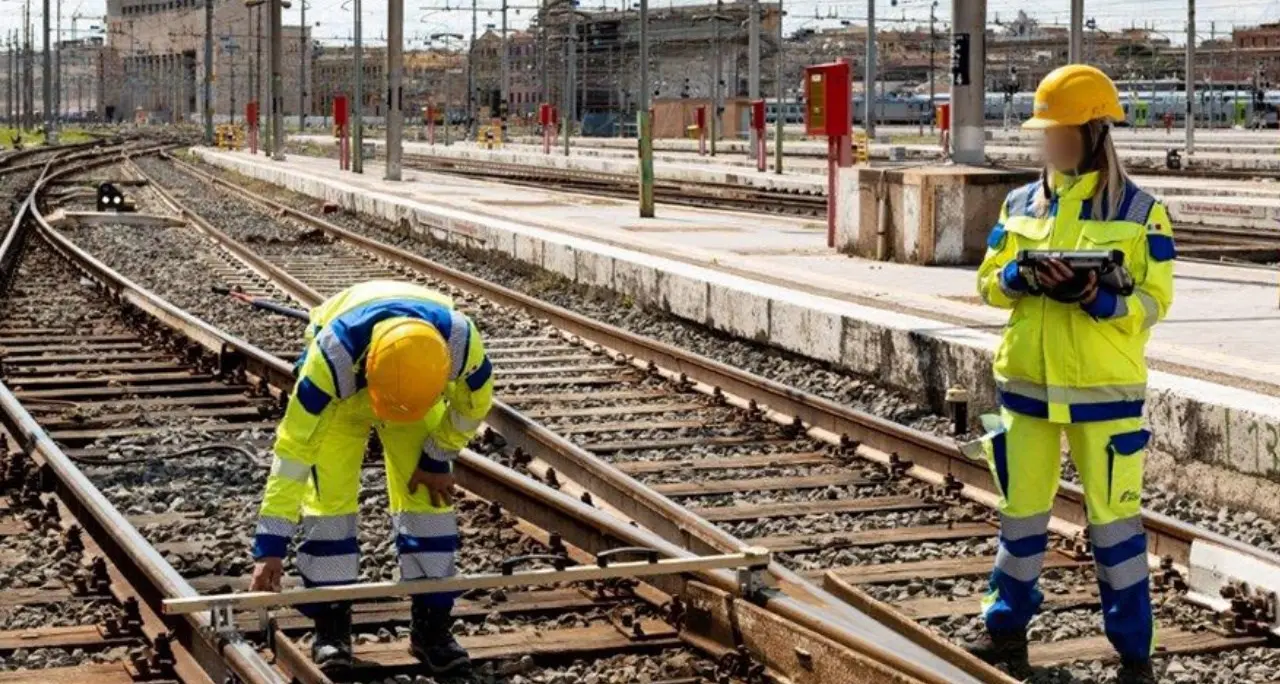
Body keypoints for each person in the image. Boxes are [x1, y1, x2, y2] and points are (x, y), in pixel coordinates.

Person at [968, 64, 1175, 684]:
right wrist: (1015, 278)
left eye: (1060, 132)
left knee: (1115, 529)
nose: (1050, 145)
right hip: (1026, 389)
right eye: (1046, 134)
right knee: (1021, 518)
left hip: (1104, 398)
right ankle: (1004, 634)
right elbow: (987, 285)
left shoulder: (1142, 212)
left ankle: (1135, 657)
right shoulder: (1020, 202)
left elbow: (1155, 301)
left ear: (1093, 132)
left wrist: (1096, 298)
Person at [249, 280, 494, 675]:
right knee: (329, 505)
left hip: (416, 396)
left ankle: (432, 627)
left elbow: (474, 404)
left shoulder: (461, 343)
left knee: (429, 505)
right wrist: (270, 545)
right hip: (346, 401)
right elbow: (294, 455)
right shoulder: (330, 361)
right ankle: (331, 627)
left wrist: (436, 455)